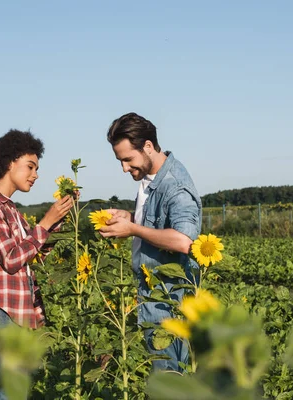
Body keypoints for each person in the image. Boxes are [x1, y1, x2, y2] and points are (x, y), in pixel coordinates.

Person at [0, 129, 74, 400]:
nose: (36, 174)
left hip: (19, 308)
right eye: (30, 166)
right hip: (2, 307)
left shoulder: (11, 210)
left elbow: (31, 251)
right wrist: (45, 223)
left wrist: (59, 221)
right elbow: (12, 258)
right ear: (9, 163)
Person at [99, 112, 202, 373]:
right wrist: (132, 217)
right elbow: (160, 222)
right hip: (154, 295)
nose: (124, 168)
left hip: (169, 301)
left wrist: (132, 228)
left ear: (147, 146)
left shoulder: (174, 185)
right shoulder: (151, 178)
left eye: (127, 159)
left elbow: (183, 240)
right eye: (120, 161)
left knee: (170, 379)